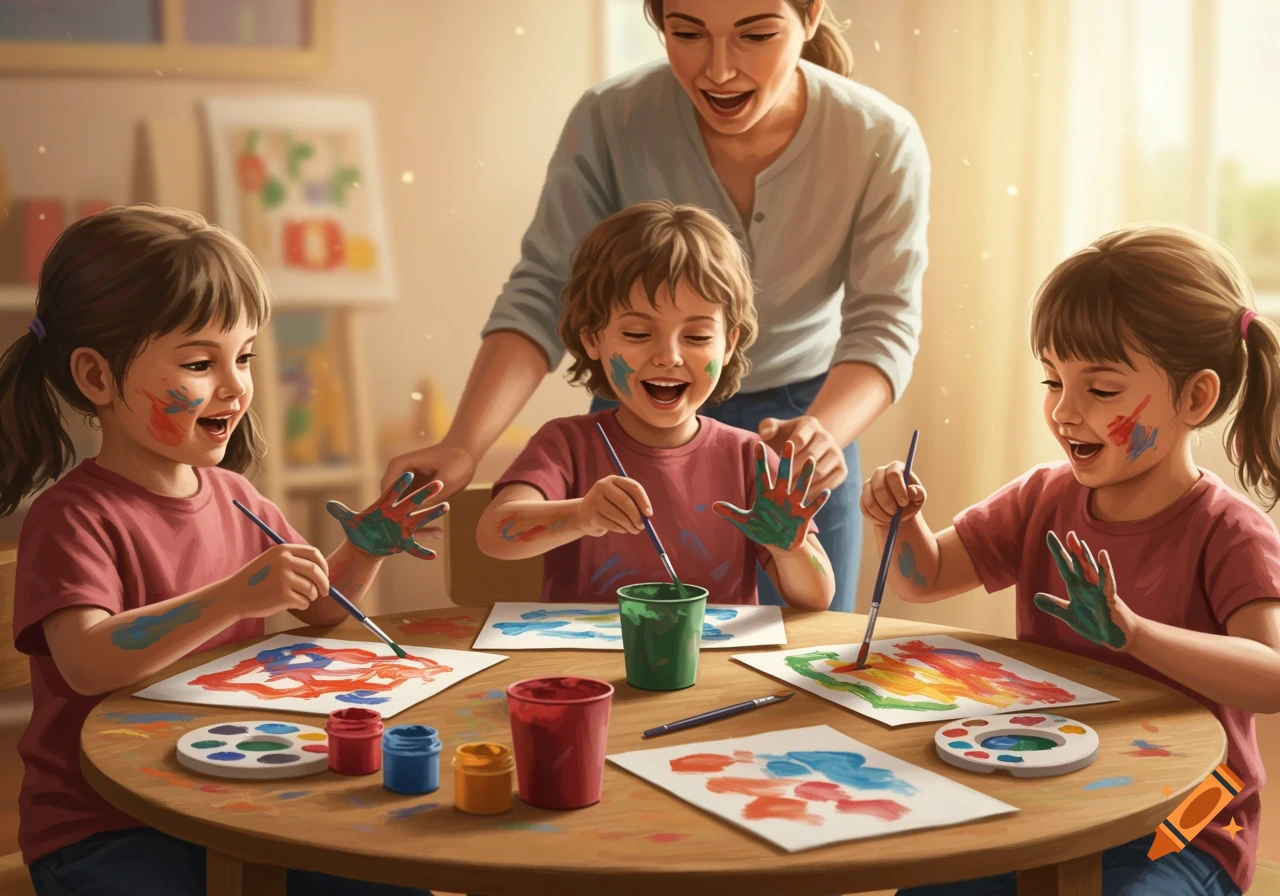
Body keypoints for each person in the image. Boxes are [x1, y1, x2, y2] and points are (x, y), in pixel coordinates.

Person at [384, 0, 931, 614]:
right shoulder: (610, 118)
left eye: (754, 35)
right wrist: (464, 444)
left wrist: (821, 432)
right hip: (631, 410)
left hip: (808, 418)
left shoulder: (880, 136)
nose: (719, 71)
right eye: (688, 33)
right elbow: (543, 289)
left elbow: (883, 323)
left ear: (810, 16)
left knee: (798, 658)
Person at [0, 205, 445, 896]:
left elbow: (322, 609)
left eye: (244, 357)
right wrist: (236, 596)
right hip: (105, 824)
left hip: (234, 793)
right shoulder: (73, 517)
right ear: (96, 378)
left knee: (393, 881)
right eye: (201, 362)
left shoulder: (237, 496)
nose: (236, 388)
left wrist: (363, 552)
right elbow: (86, 663)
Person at [862, 224, 1280, 896]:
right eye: (1053, 380)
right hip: (1044, 804)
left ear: (1195, 398)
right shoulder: (1041, 498)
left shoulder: (1229, 531)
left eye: (1103, 390)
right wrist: (899, 522)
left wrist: (1135, 635)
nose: (1064, 411)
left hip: (1181, 828)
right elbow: (924, 580)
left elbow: (1271, 679)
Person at [477, 201, 835, 611]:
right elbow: (493, 534)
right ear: (593, 338)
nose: (669, 356)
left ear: (729, 342)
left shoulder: (748, 457)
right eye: (636, 333)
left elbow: (816, 598)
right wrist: (580, 516)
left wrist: (790, 551)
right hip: (585, 670)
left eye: (698, 337)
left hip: (713, 671)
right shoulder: (566, 444)